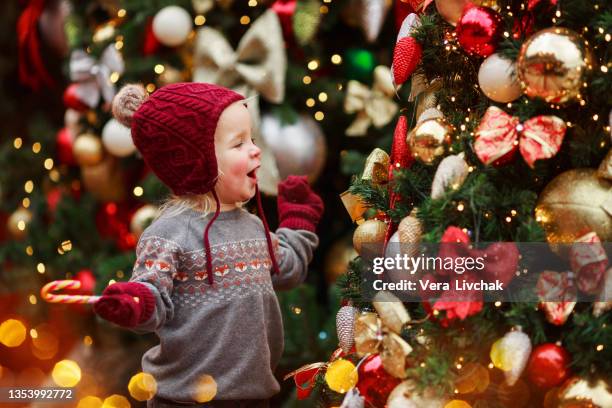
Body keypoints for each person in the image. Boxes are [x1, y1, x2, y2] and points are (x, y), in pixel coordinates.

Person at [93, 82, 324, 407]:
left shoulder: (253, 227)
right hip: (183, 401)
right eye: (239, 143)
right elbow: (154, 300)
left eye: (252, 139)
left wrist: (298, 222)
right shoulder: (168, 235)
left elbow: (288, 270)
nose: (255, 149)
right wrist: (136, 302)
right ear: (195, 161)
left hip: (253, 399)